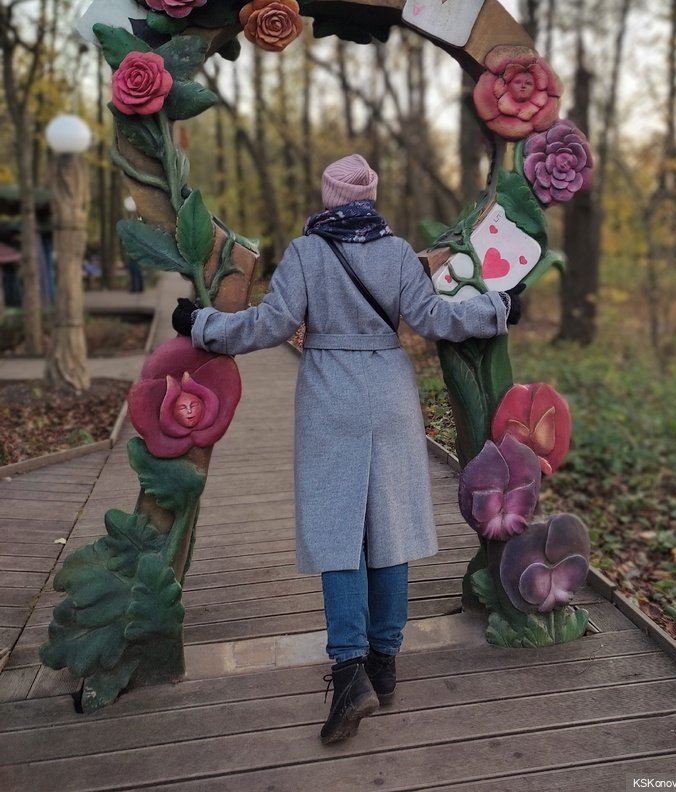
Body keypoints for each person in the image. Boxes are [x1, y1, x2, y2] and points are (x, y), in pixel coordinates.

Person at [172, 154, 521, 744]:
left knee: (339, 533)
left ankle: (350, 671)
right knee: (390, 527)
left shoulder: (308, 253)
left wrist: (201, 324)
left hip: (330, 393)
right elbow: (435, 318)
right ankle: (385, 667)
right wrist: (500, 308)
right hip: (389, 391)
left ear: (329, 196)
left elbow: (268, 325)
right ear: (372, 195)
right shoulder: (396, 252)